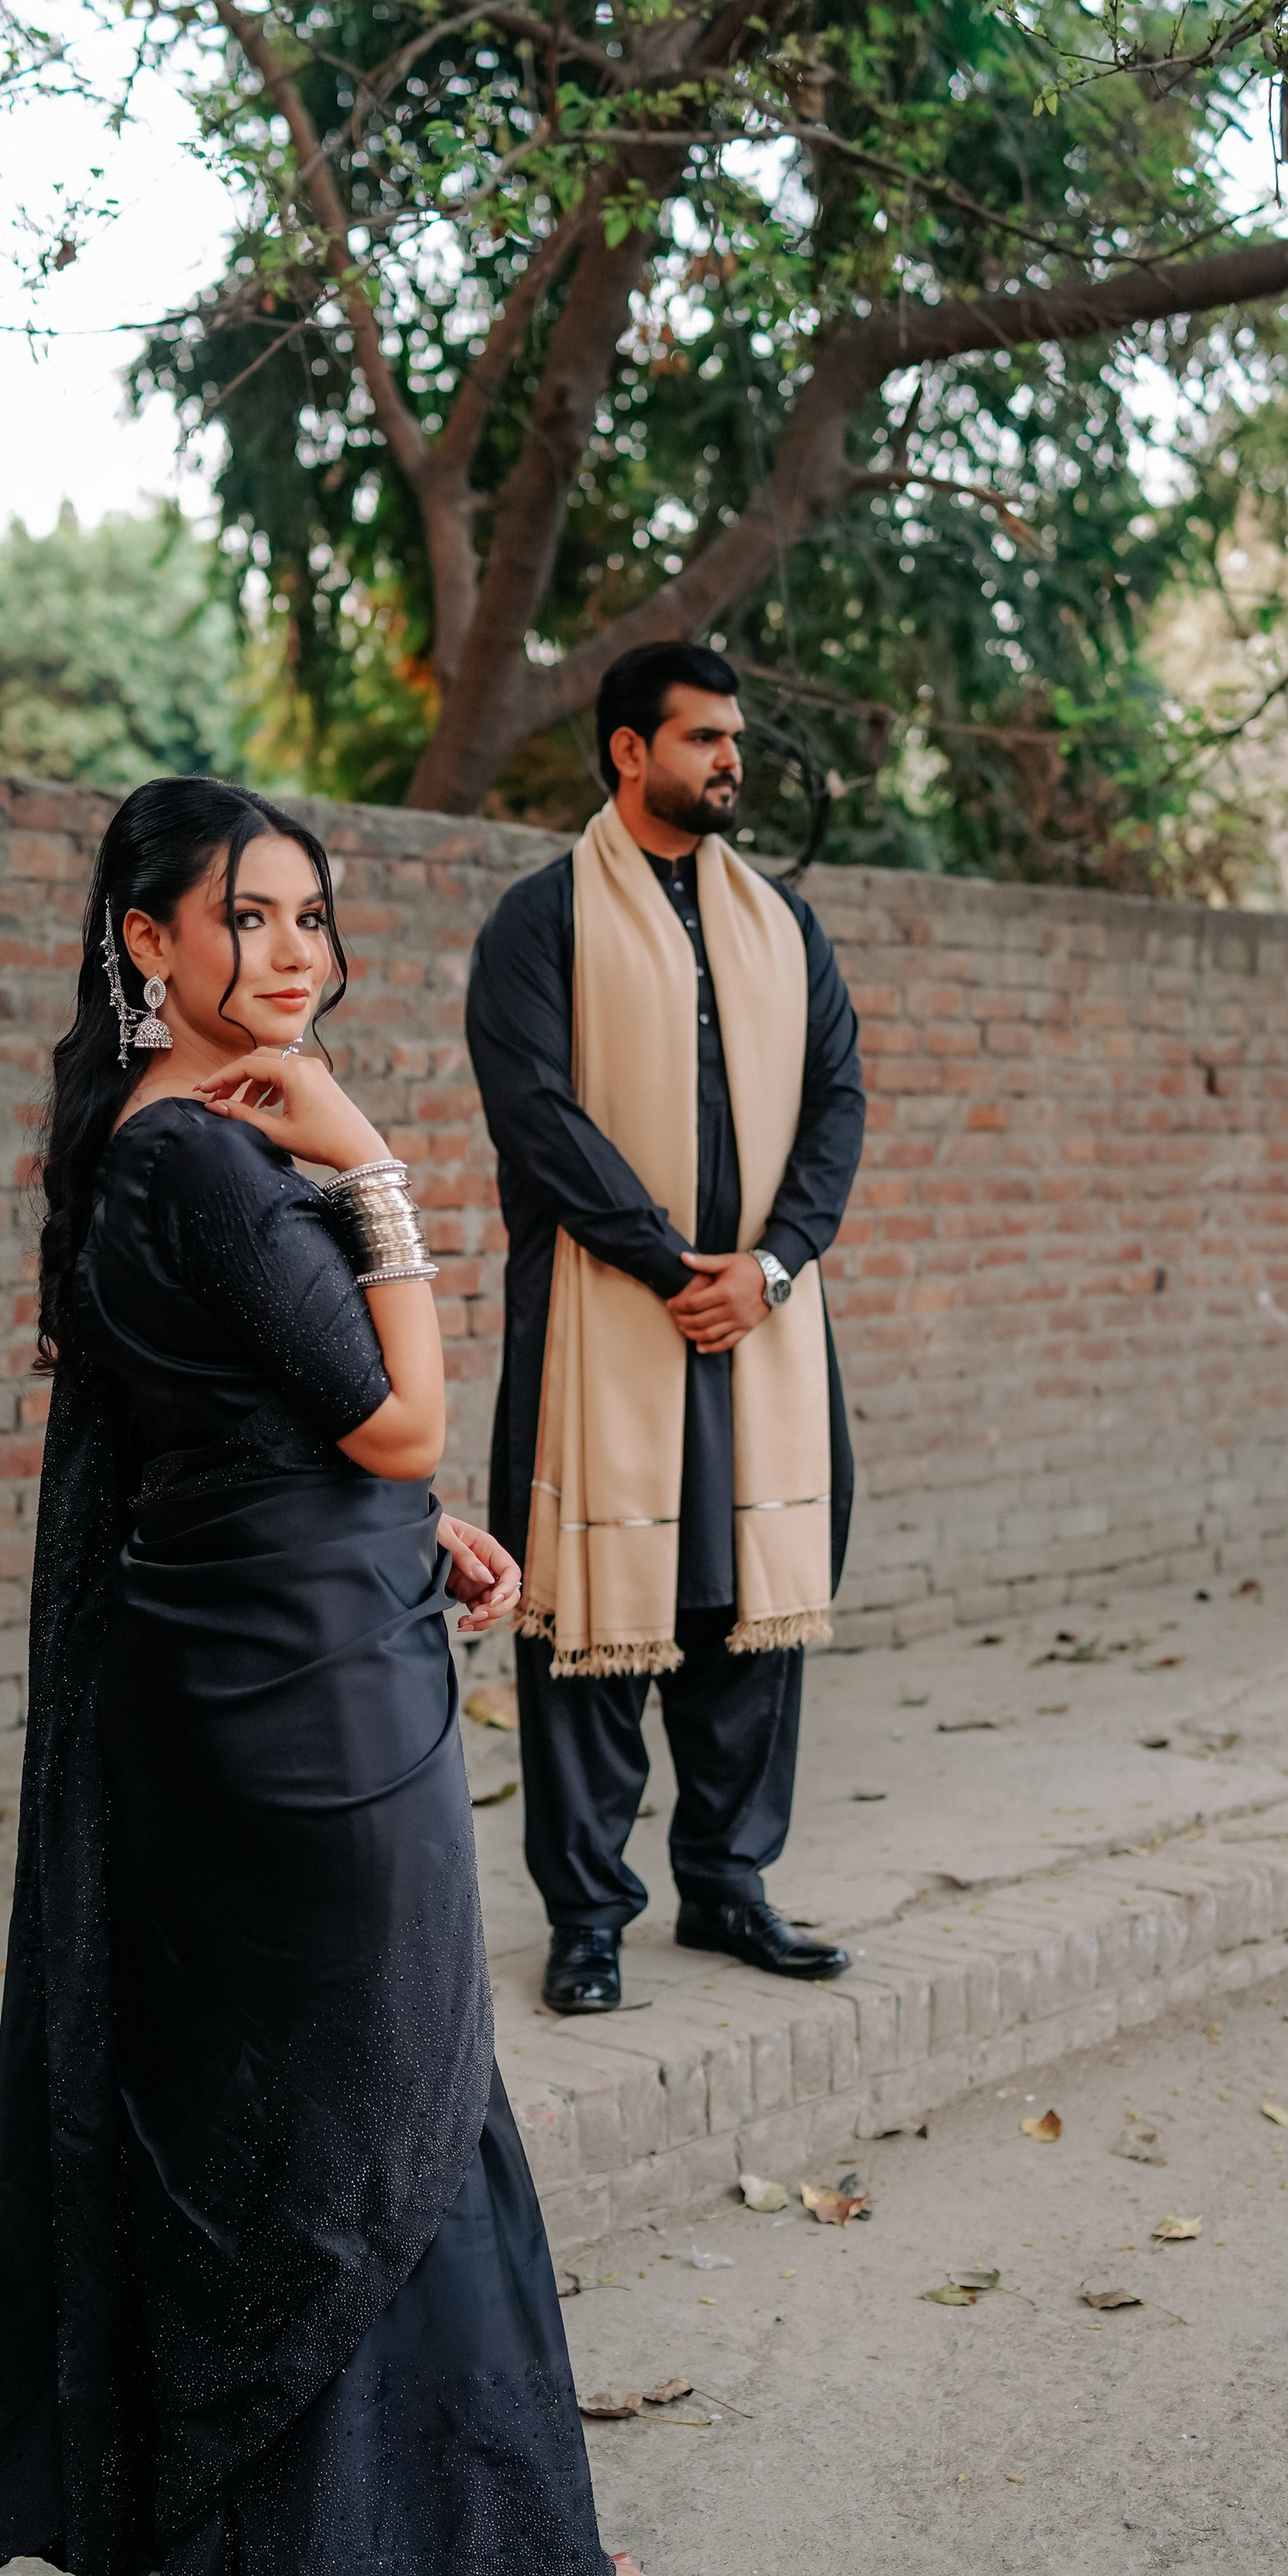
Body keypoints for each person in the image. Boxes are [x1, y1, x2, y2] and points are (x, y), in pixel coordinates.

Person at [0, 779, 647, 2576]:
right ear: (145, 939)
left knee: (273, 2093)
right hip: (305, 1694)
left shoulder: (137, 1140)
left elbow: (244, 1425)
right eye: (248, 918)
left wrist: (413, 1528)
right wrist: (373, 1166)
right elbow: (394, 1416)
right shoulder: (217, 1157)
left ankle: (230, 2556)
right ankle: (476, 2549)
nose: (294, 954)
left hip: (251, 1650)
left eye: (311, 917)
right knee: (393, 2095)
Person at [466, 643, 866, 2017]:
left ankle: (730, 1887)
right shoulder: (542, 921)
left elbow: (838, 1102)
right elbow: (536, 1115)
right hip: (602, 1333)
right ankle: (588, 1920)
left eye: (734, 739)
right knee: (584, 1625)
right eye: (703, 739)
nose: (730, 762)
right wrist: (664, 1263)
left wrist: (768, 1266)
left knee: (754, 1617)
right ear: (630, 751)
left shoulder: (784, 928)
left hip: (763, 1327)